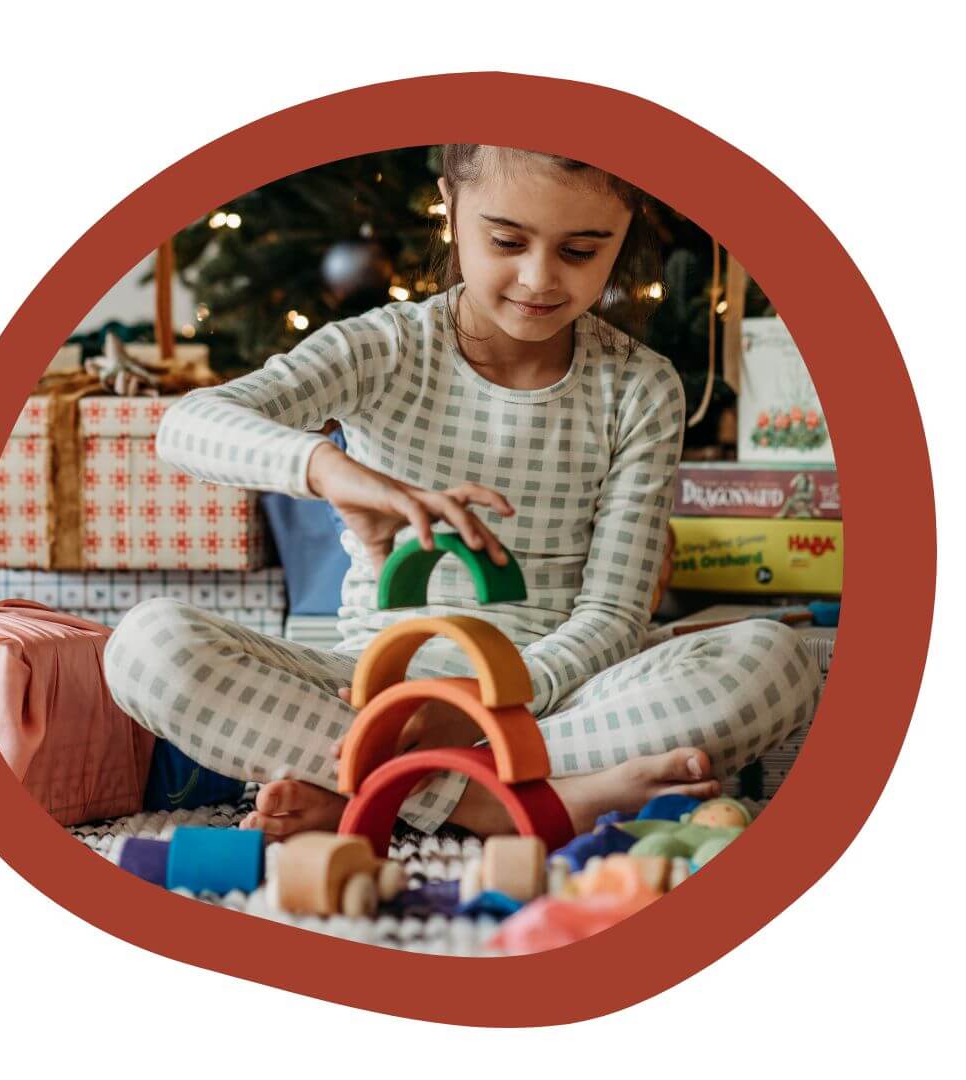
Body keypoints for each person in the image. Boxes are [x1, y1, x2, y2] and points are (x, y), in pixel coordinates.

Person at [104, 144, 821, 841]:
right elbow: (186, 426)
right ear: (450, 206)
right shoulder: (382, 347)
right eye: (507, 240)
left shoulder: (641, 386)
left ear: (628, 228)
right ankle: (493, 807)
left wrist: (485, 708)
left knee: (774, 664)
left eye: (580, 252)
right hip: (374, 690)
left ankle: (378, 794)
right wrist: (328, 467)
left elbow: (610, 618)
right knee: (145, 647)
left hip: (555, 694)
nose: (539, 279)